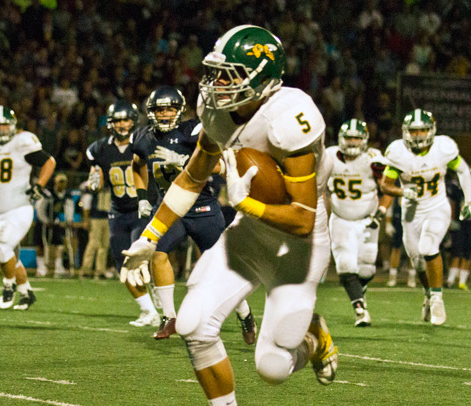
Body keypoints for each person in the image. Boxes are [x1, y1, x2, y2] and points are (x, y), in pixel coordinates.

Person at [122, 25, 338, 405]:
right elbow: (192, 177)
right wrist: (150, 235)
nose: (216, 83)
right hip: (251, 232)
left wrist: (246, 204)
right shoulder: (216, 112)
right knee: (192, 325)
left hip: (299, 246)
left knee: (272, 367)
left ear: (262, 78)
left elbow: (303, 216)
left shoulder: (290, 117)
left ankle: (314, 335)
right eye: (215, 73)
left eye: (228, 74)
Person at [131, 85, 256, 342]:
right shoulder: (143, 137)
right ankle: (169, 317)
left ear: (179, 110)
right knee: (157, 251)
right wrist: (143, 198)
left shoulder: (192, 130)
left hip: (202, 206)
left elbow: (222, 165)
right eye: (160, 110)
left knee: (222, 267)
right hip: (168, 208)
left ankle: (245, 314)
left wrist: (185, 163)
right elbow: (137, 166)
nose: (165, 114)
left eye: (170, 109)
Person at [380, 109, 471, 326]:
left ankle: (437, 299)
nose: (418, 135)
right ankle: (428, 293)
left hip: (437, 207)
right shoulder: (398, 152)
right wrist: (402, 192)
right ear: (405, 133)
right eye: (414, 132)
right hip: (411, 213)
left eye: (422, 130)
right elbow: (385, 184)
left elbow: (463, 170)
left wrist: (469, 202)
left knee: (428, 245)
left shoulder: (442, 148)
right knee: (418, 261)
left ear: (431, 130)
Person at [0, 105, 56, 310]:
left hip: (18, 208)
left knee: (2, 246)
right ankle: (26, 292)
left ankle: (8, 286)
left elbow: (49, 161)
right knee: (3, 253)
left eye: (6, 125)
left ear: (13, 126)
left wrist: (39, 186)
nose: (2, 129)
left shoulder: (22, 142)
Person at [86, 100, 160, 327]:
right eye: (118, 120)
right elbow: (96, 179)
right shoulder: (99, 149)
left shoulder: (144, 142)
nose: (122, 124)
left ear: (134, 121)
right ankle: (148, 310)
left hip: (142, 208)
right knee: (122, 262)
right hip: (117, 211)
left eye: (126, 120)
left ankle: (160, 294)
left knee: (141, 257)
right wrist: (95, 182)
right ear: (111, 123)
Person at [324, 119, 392, 327]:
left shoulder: (373, 159)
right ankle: (360, 310)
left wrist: (381, 211)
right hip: (341, 219)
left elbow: (388, 187)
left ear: (364, 140)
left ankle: (359, 293)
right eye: (349, 137)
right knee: (345, 265)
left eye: (356, 137)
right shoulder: (328, 156)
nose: (352, 142)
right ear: (340, 139)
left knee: (366, 269)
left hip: (367, 220)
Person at [79, 181, 111, 279]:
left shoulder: (110, 183)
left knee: (104, 245)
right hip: (95, 218)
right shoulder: (92, 185)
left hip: (107, 217)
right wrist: (86, 219)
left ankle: (100, 271)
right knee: (93, 243)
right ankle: (86, 270)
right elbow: (86, 203)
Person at [385, 196, 417, 288]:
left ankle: (412, 276)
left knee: (412, 250)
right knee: (396, 248)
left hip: (411, 223)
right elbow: (390, 207)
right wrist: (388, 223)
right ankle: (392, 276)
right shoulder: (397, 190)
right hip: (398, 222)